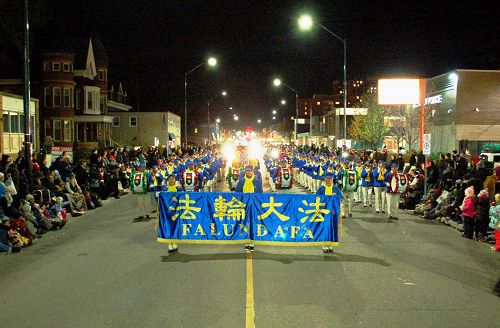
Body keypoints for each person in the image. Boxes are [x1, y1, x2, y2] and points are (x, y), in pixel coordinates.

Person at [235, 165, 263, 252]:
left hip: (253, 207)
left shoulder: (257, 182)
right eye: (247, 171)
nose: (248, 172)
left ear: (252, 171)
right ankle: (245, 241)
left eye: (250, 171)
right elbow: (237, 193)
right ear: (245, 172)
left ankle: (251, 243)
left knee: (252, 224)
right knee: (244, 224)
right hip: (244, 206)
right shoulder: (241, 181)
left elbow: (260, 194)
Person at [316, 173, 343, 253]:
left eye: (330, 179)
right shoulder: (321, 189)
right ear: (325, 179)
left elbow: (340, 199)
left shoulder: (336, 189)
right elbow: (316, 199)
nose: (329, 180)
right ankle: (324, 245)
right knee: (325, 228)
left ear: (332, 179)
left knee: (333, 228)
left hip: (333, 212)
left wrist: (340, 210)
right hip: (323, 212)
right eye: (327, 179)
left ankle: (331, 245)